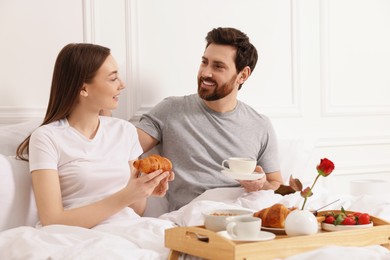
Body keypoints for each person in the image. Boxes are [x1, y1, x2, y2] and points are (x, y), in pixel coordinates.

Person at [16, 43, 174, 228]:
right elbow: (52, 220)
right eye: (113, 78)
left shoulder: (125, 131)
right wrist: (126, 196)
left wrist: (144, 190)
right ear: (83, 89)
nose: (122, 84)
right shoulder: (46, 138)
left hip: (127, 229)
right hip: (71, 235)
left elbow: (135, 210)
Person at [136, 27, 283, 212]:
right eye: (204, 62)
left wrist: (261, 184)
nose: (205, 72)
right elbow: (121, 148)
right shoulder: (171, 110)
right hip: (194, 219)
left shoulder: (260, 125)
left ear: (243, 75)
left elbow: (277, 186)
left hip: (245, 216)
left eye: (218, 66)